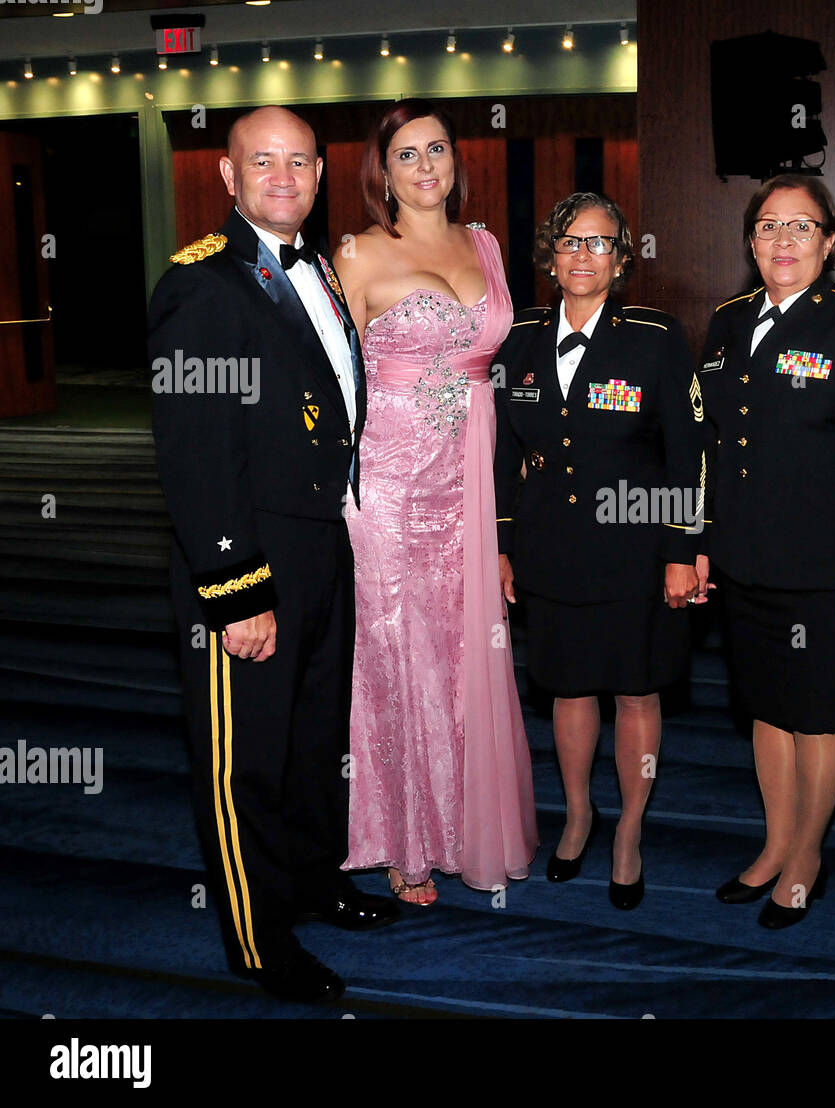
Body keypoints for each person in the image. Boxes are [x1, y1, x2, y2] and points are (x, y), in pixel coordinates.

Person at [150, 106, 399, 1005]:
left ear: (321, 173)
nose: (284, 177)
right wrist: (236, 587)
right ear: (227, 176)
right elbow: (194, 453)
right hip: (248, 559)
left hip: (322, 546)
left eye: (300, 161)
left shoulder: (319, 272)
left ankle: (314, 881)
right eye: (264, 161)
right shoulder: (203, 285)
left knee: (310, 742)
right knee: (245, 756)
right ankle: (258, 940)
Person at [334, 99, 537, 904]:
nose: (425, 167)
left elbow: (494, 364)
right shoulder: (354, 254)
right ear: (381, 171)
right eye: (407, 154)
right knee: (398, 657)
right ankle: (403, 840)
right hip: (385, 488)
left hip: (471, 481)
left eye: (439, 150)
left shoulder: (483, 242)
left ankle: (461, 826)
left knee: (466, 656)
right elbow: (330, 379)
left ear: (457, 161)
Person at [698, 174, 835, 928]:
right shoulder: (726, 320)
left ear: (830, 240)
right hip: (746, 557)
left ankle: (809, 854)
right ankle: (775, 842)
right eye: (767, 227)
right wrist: (698, 540)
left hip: (829, 565)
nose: (782, 242)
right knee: (766, 709)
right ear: (750, 240)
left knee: (820, 713)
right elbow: (711, 442)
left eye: (801, 227)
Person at [493, 193, 704, 910]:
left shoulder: (656, 336)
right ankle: (579, 815)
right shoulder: (517, 337)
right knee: (569, 688)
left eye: (598, 243)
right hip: (550, 543)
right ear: (550, 257)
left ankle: (631, 831)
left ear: (622, 258)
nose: (582, 255)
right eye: (568, 242)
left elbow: (687, 452)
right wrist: (500, 542)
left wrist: (683, 548)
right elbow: (497, 453)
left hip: (637, 549)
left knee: (637, 690)